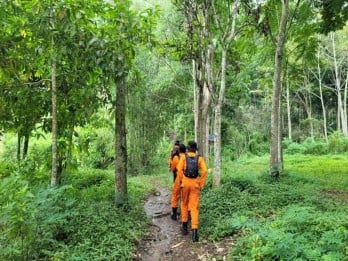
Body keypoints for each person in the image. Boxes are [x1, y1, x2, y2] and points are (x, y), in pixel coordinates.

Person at [176, 141, 207, 242]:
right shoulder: (200, 158)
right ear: (195, 149)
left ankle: (184, 227)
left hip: (185, 183)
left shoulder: (184, 157)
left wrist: (181, 181)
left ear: (188, 148)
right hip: (195, 184)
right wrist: (201, 183)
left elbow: (179, 169)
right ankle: (194, 232)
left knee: (184, 204)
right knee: (194, 207)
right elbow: (205, 171)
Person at [170, 143, 186, 220]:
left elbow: (173, 168)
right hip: (187, 179)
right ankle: (185, 216)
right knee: (185, 198)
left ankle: (174, 214)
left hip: (178, 178)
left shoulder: (176, 157)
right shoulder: (188, 157)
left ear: (179, 150)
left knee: (175, 195)